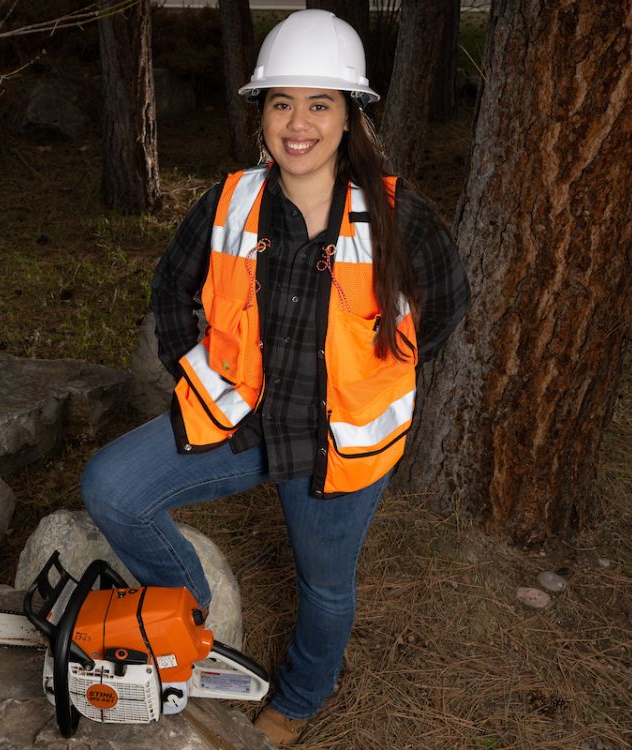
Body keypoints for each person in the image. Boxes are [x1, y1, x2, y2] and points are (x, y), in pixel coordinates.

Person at [82, 9, 469, 747]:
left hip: (337, 447)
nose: (299, 123)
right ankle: (189, 616)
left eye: (320, 103)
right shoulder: (229, 203)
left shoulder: (399, 217)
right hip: (241, 423)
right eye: (281, 102)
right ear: (260, 112)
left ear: (350, 116)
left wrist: (379, 378)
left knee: (323, 587)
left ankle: (299, 696)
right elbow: (171, 293)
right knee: (111, 488)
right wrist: (200, 374)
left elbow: (446, 306)